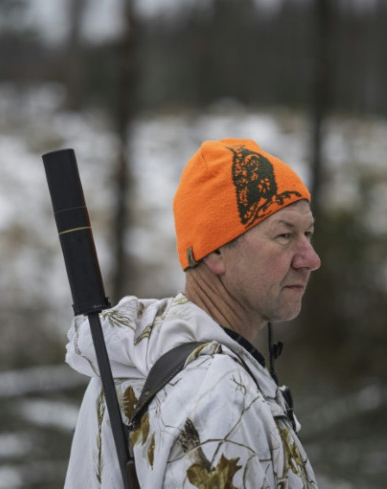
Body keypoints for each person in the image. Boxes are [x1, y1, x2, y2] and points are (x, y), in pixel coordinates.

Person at [63, 138, 321, 488]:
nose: (310, 259)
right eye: (285, 235)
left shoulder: (130, 359)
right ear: (215, 252)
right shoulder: (219, 397)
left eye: (308, 233)